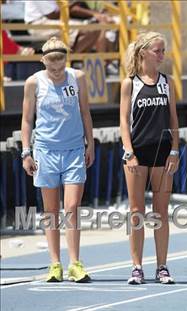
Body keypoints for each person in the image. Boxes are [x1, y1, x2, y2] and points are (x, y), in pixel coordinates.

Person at [21, 37, 95, 283]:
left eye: (60, 60)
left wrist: (90, 144)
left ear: (65, 58)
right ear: (43, 60)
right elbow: (27, 120)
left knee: (72, 206)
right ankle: (55, 263)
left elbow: (85, 112)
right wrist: (26, 152)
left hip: (74, 149)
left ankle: (75, 262)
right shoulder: (34, 82)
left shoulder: (78, 77)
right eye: (51, 62)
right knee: (51, 210)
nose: (56, 67)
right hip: (45, 151)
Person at [120, 31, 180, 285]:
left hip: (163, 152)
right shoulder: (130, 83)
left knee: (161, 213)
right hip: (137, 153)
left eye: (163, 50)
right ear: (144, 52)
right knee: (136, 211)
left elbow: (174, 119)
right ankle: (136, 266)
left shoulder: (168, 82)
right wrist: (129, 152)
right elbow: (123, 121)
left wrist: (175, 150)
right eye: (158, 50)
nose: (162, 55)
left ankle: (162, 266)